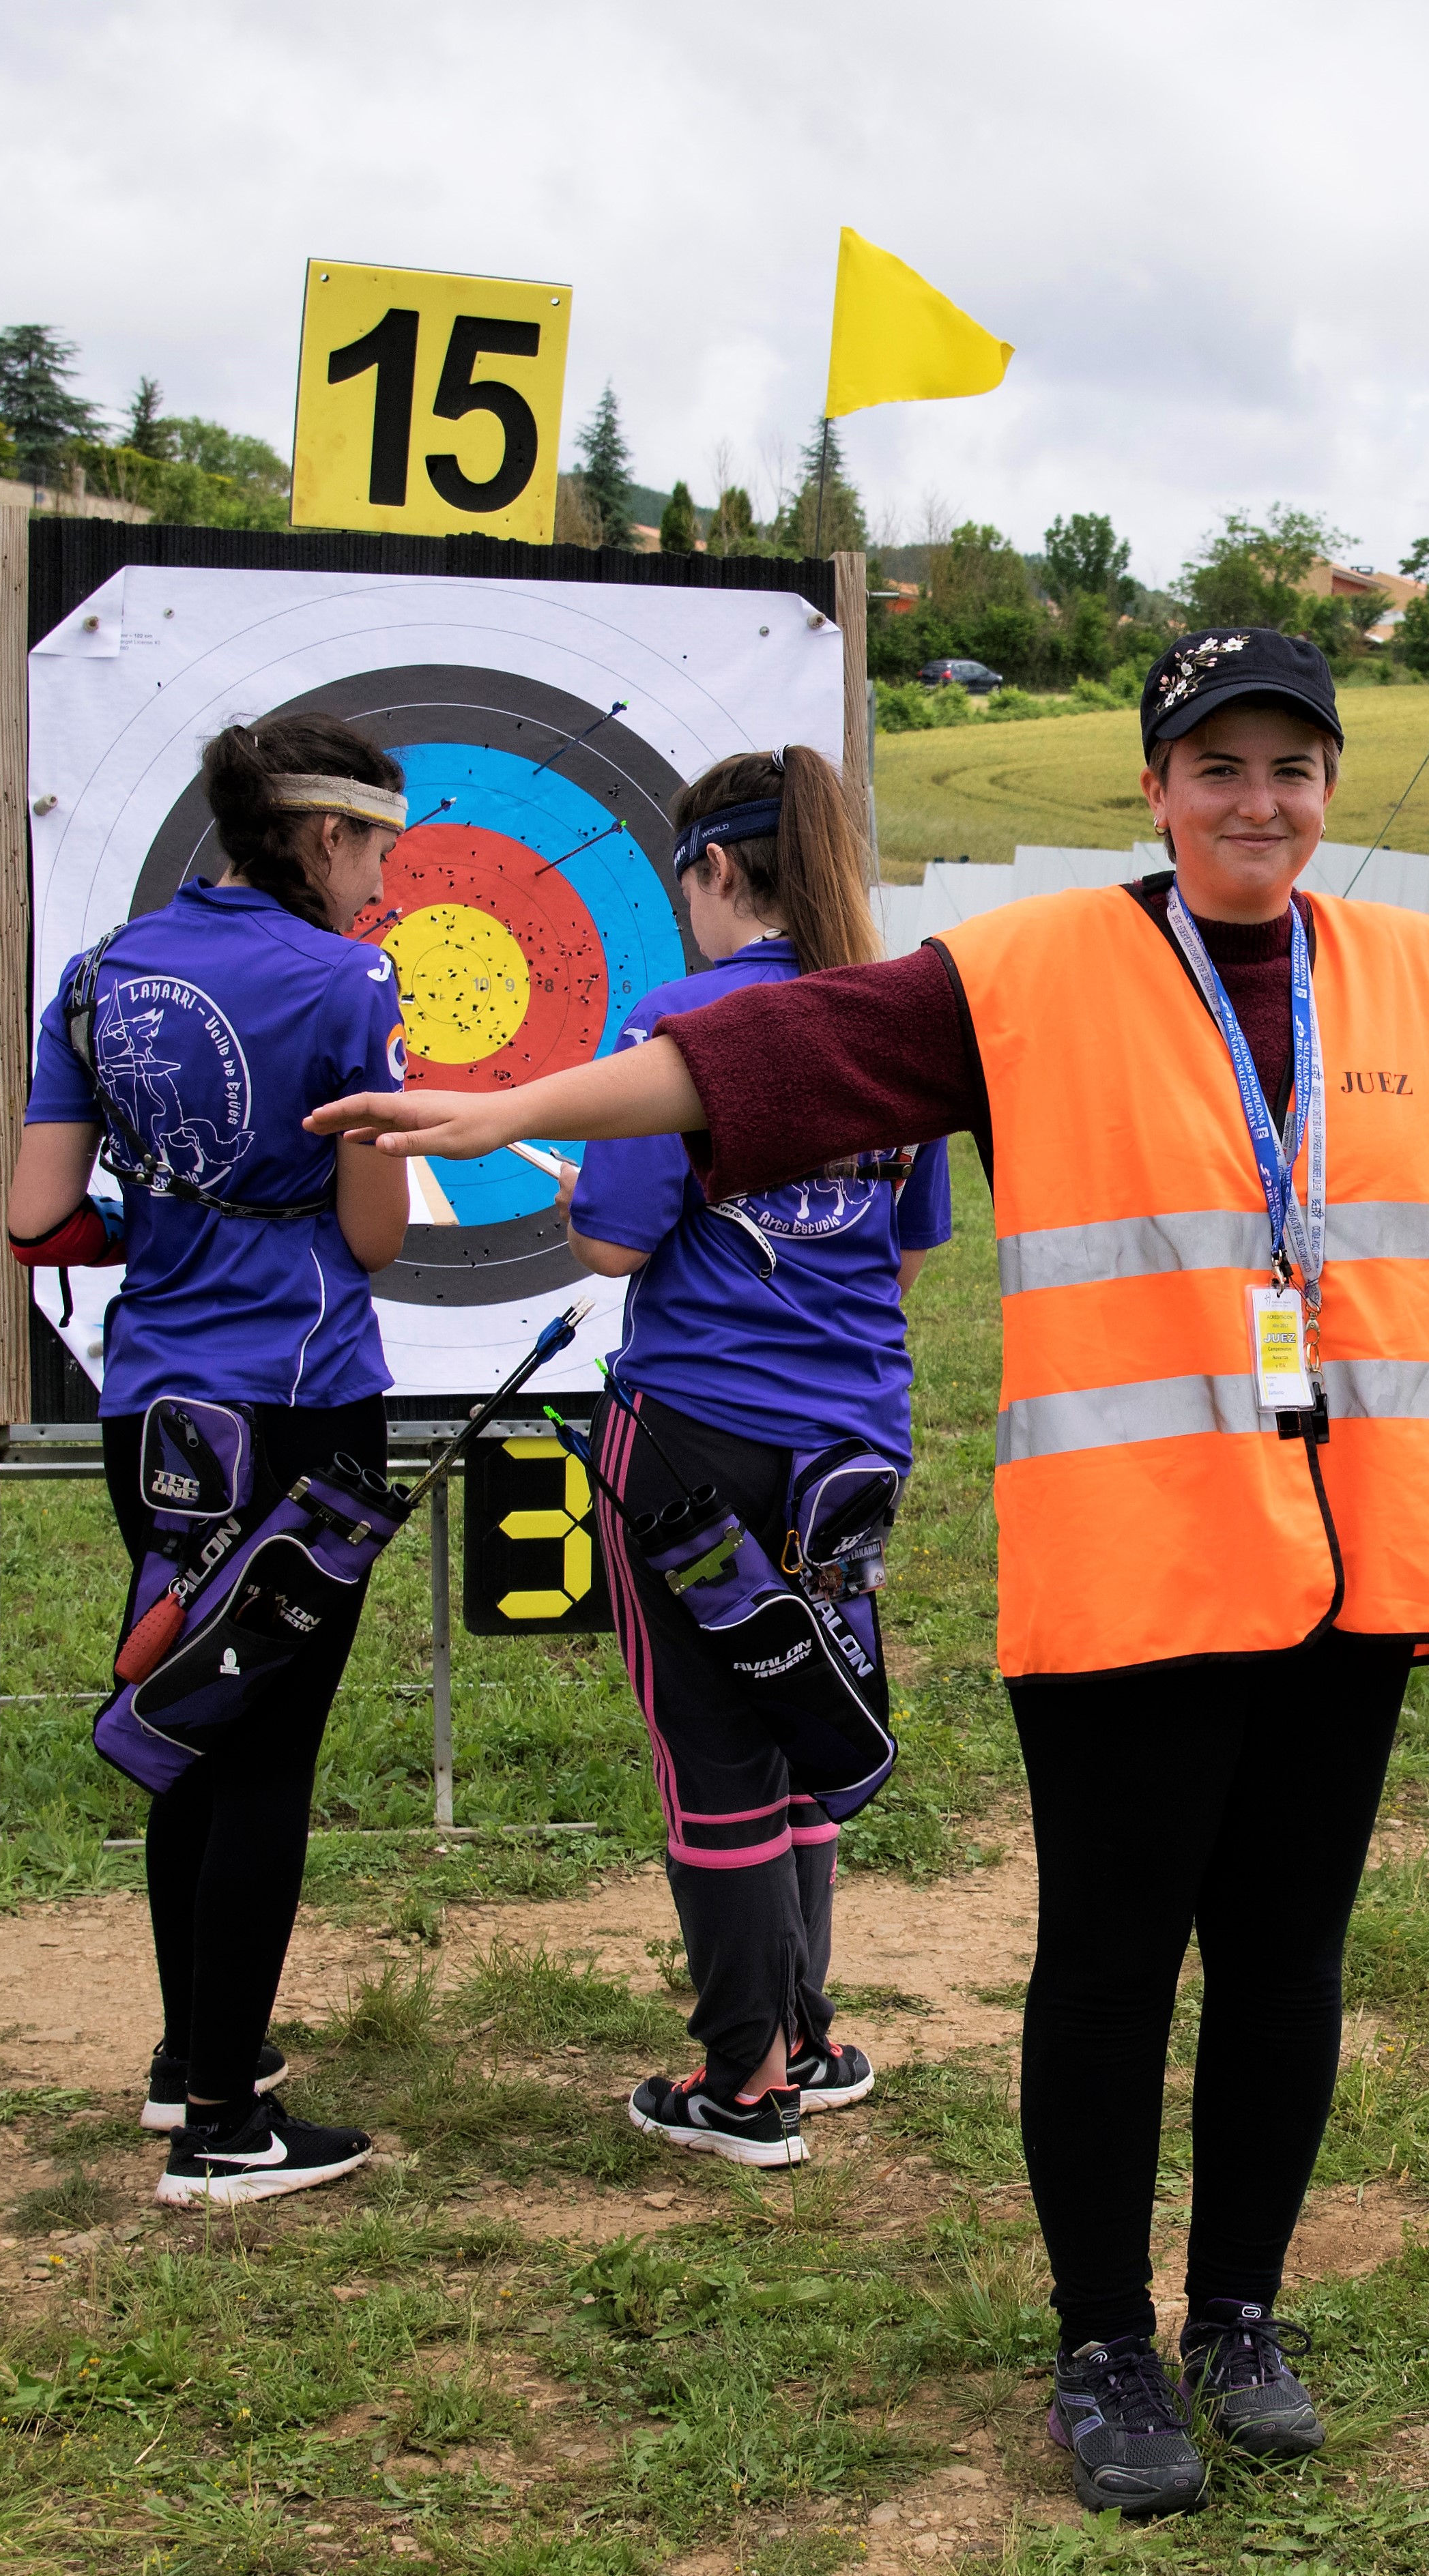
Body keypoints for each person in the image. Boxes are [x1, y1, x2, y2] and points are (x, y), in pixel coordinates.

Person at [306, 630, 1429, 2508]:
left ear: (1328, 789)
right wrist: (510, 1111)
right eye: (1216, 767)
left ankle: (1241, 2314)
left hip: (1352, 1561)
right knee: (1110, 1963)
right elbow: (774, 1053)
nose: (1254, 800)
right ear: (1155, 789)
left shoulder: (1424, 978)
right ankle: (1102, 2340)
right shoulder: (1028, 972)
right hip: (1132, 1563)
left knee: (1284, 1959)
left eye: (1289, 765)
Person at [9, 712, 416, 2210]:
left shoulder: (102, 974)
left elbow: (42, 1215)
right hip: (301, 1406)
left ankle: (192, 2055)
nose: (383, 876)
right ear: (321, 837)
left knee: (187, 1718)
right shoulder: (347, 980)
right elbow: (373, 1235)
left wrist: (174, 1222)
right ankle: (228, 2126)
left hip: (156, 1405)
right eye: (375, 843)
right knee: (266, 1755)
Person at [560, 745, 950, 2170]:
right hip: (850, 1442)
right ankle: (808, 2033)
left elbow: (610, 1241)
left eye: (681, 884)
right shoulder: (892, 1026)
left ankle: (743, 2084)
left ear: (716, 870)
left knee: (712, 1753)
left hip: (691, 1437)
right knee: (799, 1714)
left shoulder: (682, 1020)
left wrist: (580, 1187)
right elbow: (899, 1254)